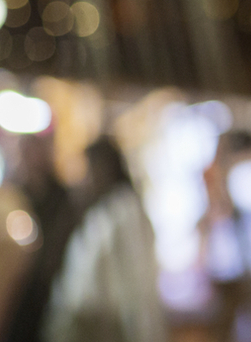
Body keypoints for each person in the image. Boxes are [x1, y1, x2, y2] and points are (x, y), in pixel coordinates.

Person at [43, 137, 170, 342]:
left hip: (111, 327)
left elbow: (136, 280)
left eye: (91, 168)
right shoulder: (101, 210)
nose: (86, 177)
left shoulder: (125, 209)